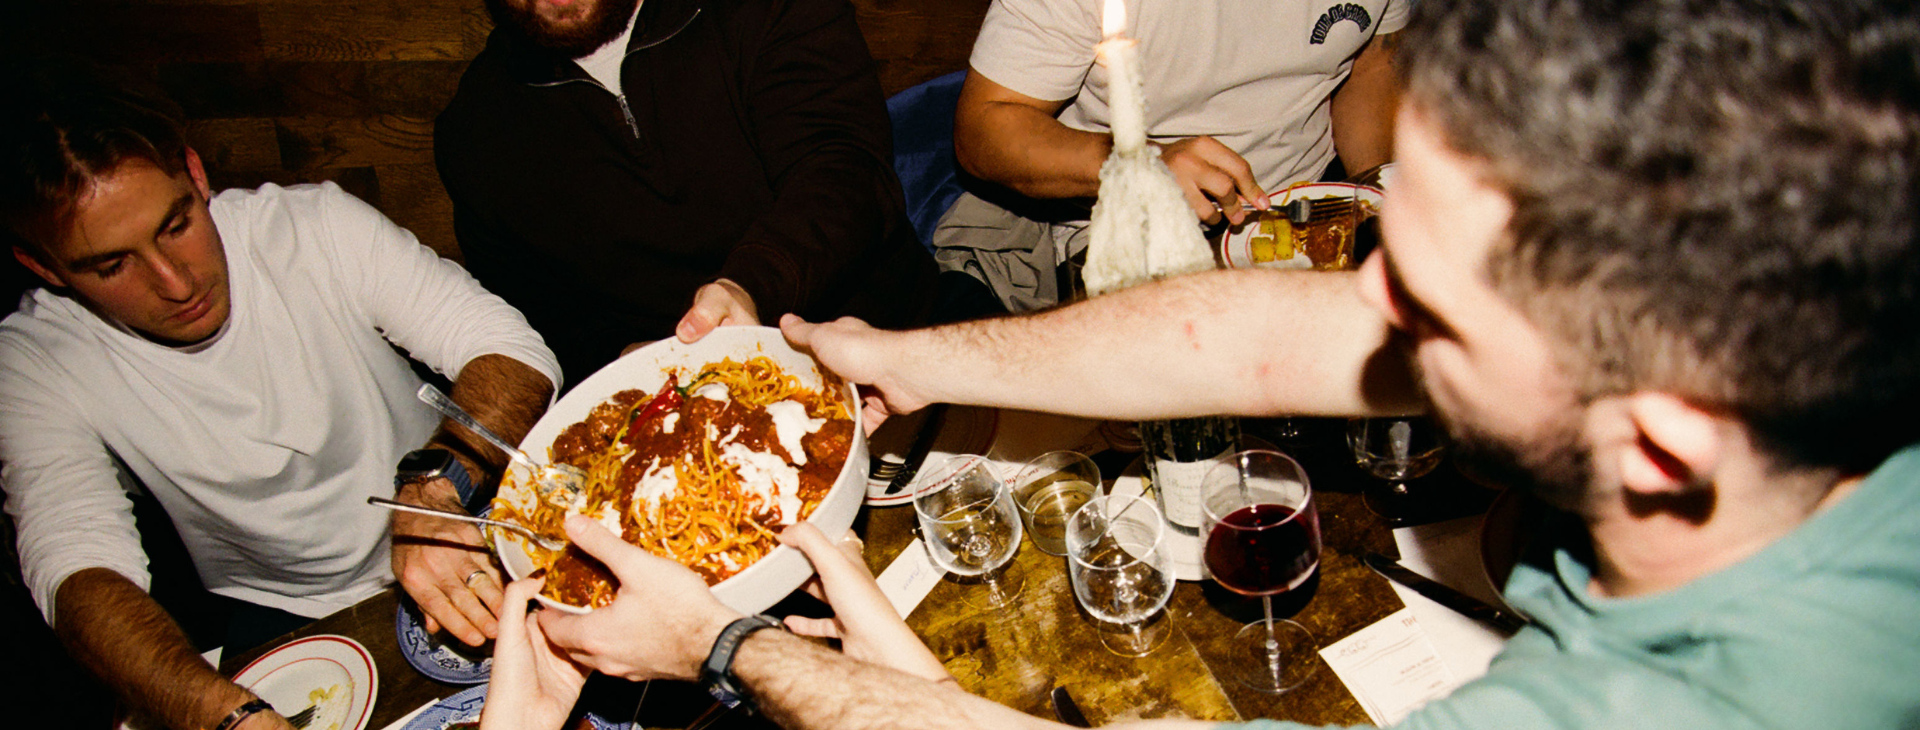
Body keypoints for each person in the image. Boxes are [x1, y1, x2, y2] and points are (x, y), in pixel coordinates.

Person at [476, 0, 1920, 728]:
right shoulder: (1719, 360)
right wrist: (902, 351)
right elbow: (1262, 325)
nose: (1368, 304)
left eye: (1424, 305)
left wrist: (730, 642)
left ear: (1660, 444)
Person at [0, 63, 561, 730]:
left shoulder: (312, 225)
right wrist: (230, 719)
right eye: (112, 264)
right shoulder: (33, 361)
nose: (175, 284)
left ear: (196, 174)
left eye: (176, 224)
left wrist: (437, 486)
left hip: (467, 515)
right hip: (288, 613)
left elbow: (514, 351)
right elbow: (76, 573)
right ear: (43, 267)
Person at [435, 0, 943, 387]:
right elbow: (531, 315)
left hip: (892, 342)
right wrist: (618, 356)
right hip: (687, 412)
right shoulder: (474, 131)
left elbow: (845, 169)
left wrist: (747, 287)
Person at [935, 0, 1407, 311]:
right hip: (1131, 237)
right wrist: (1137, 165)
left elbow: (1371, 66)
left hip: (1313, 207)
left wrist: (1374, 190)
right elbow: (983, 128)